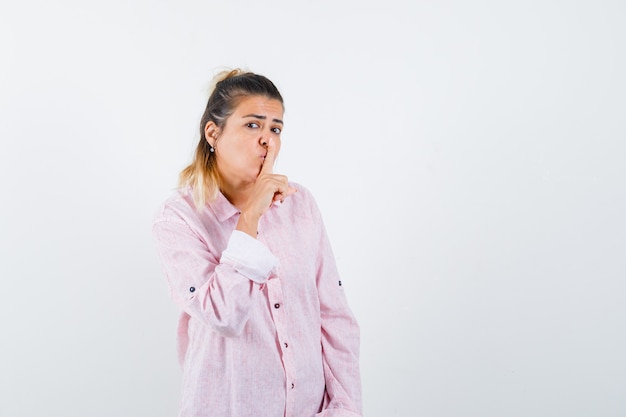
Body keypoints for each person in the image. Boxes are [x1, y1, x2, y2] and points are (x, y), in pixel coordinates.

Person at [152, 69, 362, 417]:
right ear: (213, 133)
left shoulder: (300, 205)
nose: (267, 140)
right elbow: (223, 314)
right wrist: (250, 219)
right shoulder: (179, 219)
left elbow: (334, 317)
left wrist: (345, 408)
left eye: (275, 128)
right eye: (253, 125)